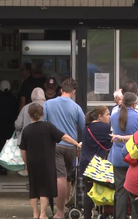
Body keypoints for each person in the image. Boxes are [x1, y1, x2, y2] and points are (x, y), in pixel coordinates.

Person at [20, 103, 81, 219]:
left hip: (32, 161)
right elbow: (63, 137)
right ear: (43, 114)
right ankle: (43, 214)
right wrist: (76, 143)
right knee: (44, 186)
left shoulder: (27, 130)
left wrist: (26, 163)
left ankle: (35, 214)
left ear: (29, 115)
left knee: (34, 186)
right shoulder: (48, 127)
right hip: (46, 161)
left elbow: (23, 150)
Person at [42, 78, 85, 219]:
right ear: (73, 92)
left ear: (61, 90)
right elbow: (84, 127)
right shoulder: (76, 107)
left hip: (54, 146)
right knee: (68, 179)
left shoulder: (48, 104)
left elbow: (43, 124)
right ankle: (65, 205)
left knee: (60, 177)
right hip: (71, 147)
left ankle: (59, 212)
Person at [108, 92, 138, 219]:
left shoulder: (113, 116)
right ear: (135, 103)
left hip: (118, 157)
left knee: (120, 191)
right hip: (134, 158)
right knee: (135, 191)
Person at [80, 106, 112, 219]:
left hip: (85, 162)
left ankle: (87, 215)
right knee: (103, 189)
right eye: (107, 114)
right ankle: (103, 213)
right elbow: (110, 143)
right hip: (98, 164)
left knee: (88, 190)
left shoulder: (87, 127)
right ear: (100, 116)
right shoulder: (105, 127)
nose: (109, 117)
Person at [15, 88, 46, 177]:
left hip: (28, 140)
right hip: (43, 139)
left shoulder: (25, 108)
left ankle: (27, 169)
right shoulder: (48, 106)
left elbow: (18, 125)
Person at [0, 80, 19, 175]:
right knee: (9, 146)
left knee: (0, 145)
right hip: (10, 125)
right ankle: (8, 165)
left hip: (0, 125)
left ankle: (0, 166)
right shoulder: (13, 99)